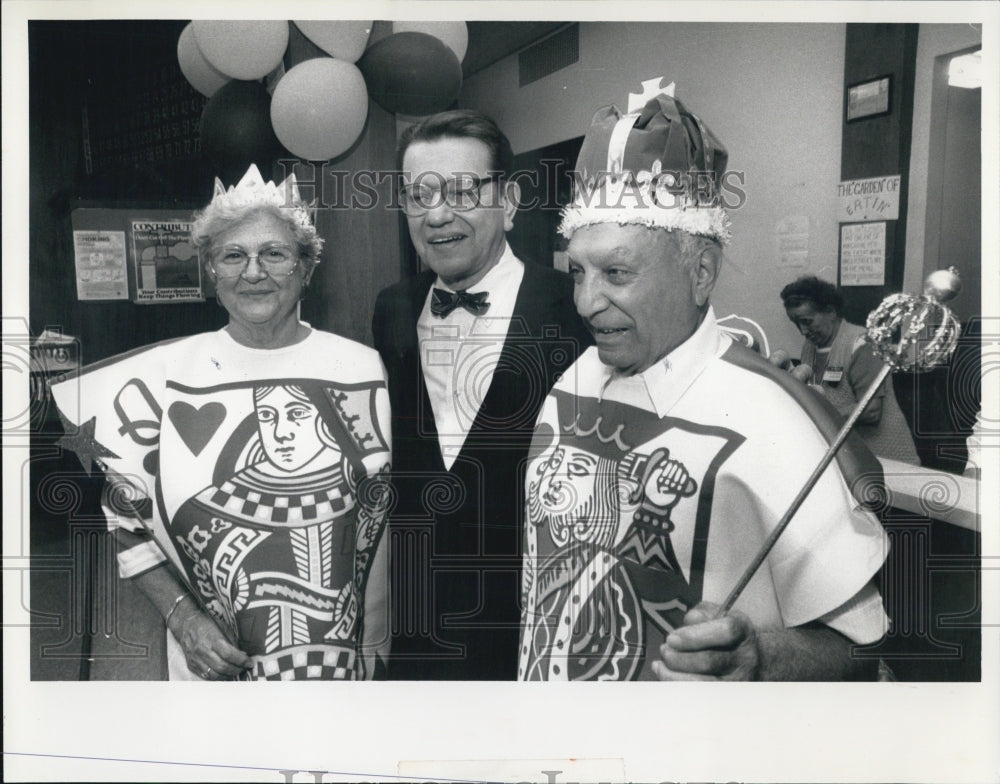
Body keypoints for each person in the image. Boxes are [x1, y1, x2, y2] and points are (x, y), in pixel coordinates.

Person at [519, 85, 890, 681]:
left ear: (700, 273)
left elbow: (859, 648)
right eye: (578, 273)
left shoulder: (774, 421)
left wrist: (758, 658)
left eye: (616, 272)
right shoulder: (573, 379)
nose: (587, 304)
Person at [51, 165, 392, 680]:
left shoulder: (363, 366)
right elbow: (123, 519)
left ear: (306, 267)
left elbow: (379, 516)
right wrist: (182, 618)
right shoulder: (164, 375)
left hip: (343, 670)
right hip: (217, 672)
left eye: (274, 254)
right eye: (233, 256)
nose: (253, 272)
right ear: (211, 271)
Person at [372, 110, 591, 679]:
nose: (438, 214)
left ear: (510, 200)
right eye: (420, 195)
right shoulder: (392, 308)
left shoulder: (573, 311)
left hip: (531, 627)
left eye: (464, 191)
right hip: (417, 624)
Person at [779, 275, 920, 465]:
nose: (802, 331)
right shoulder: (809, 348)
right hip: (847, 457)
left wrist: (817, 413)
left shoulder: (862, 344)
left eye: (807, 321)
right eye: (796, 323)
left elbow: (870, 412)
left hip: (887, 459)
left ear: (830, 311)